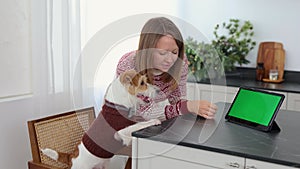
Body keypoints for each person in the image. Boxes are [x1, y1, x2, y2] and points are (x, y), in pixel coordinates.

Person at [116, 17, 218, 121]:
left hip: (147, 124)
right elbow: (146, 111)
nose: (170, 60)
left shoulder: (180, 63)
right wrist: (189, 106)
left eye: (174, 52)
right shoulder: (128, 67)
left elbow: (177, 100)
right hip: (121, 118)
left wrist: (196, 108)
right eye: (162, 53)